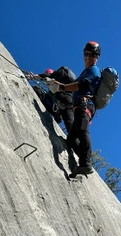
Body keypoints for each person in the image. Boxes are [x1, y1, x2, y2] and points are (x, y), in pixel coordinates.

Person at [46, 41, 101, 176]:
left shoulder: (94, 70)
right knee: (71, 139)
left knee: (83, 131)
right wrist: (59, 85)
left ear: (96, 57)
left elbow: (81, 85)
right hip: (79, 107)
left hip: (84, 105)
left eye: (92, 55)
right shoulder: (86, 71)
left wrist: (62, 87)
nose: (88, 57)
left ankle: (86, 164)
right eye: (86, 54)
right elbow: (76, 85)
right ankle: (80, 164)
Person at [33, 66, 76, 134]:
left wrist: (33, 76)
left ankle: (58, 114)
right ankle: (76, 141)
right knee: (70, 125)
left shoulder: (54, 78)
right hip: (67, 104)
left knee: (38, 91)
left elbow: (45, 76)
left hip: (57, 103)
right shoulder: (67, 86)